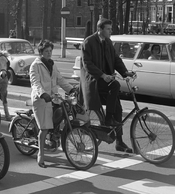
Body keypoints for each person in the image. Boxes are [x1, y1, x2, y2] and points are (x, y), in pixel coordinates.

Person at [80, 18, 135, 153]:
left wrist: (125, 72)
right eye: (108, 29)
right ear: (100, 29)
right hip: (94, 81)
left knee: (118, 108)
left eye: (111, 29)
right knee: (115, 85)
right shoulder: (88, 42)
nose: (111, 31)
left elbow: (116, 59)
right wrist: (103, 75)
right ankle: (108, 119)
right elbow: (87, 64)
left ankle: (120, 142)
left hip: (106, 81)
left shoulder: (108, 42)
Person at [30, 39, 74, 168]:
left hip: (53, 98)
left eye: (50, 51)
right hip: (41, 99)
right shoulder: (35, 65)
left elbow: (60, 79)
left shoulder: (52, 64)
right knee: (44, 128)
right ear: (41, 52)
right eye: (46, 51)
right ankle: (41, 155)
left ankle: (55, 136)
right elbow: (35, 82)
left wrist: (71, 89)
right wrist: (42, 93)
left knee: (63, 112)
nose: (49, 53)